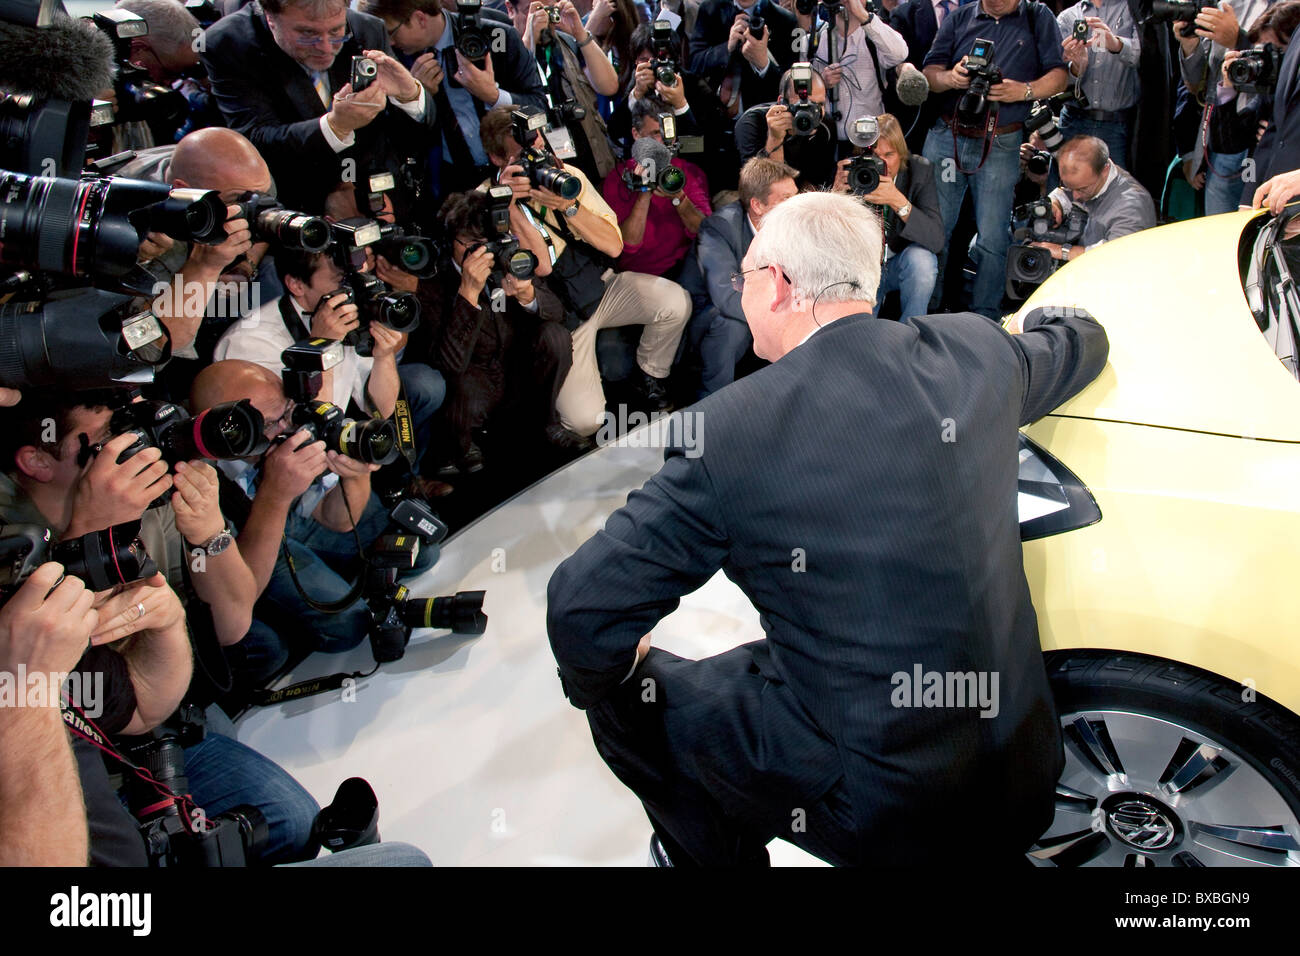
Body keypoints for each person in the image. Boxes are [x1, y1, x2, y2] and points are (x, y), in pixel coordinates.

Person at [547, 190, 1110, 866]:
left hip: (887, 813)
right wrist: (1055, 311)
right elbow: (1080, 339)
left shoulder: (732, 431)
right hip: (1026, 767)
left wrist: (619, 665)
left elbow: (581, 611)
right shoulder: (977, 350)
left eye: (746, 274)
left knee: (627, 700)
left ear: (778, 286)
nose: (739, 288)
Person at [480, 104, 692, 431]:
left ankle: (651, 377)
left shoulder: (567, 177)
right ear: (497, 159)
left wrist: (568, 206)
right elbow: (539, 267)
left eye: (539, 148)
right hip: (562, 316)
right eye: (523, 156)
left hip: (600, 287)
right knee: (586, 422)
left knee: (675, 302)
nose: (537, 162)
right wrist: (509, 202)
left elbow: (614, 245)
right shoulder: (484, 202)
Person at [200, 0, 437, 213]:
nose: (325, 48)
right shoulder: (227, 43)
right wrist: (335, 127)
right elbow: (256, 141)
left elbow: (413, 136)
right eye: (307, 33)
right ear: (270, 18)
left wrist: (411, 96)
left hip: (385, 201)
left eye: (335, 31)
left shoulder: (367, 28)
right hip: (301, 211)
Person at [921, 0, 1068, 318]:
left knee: (992, 235)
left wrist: (1025, 91)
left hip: (1001, 138)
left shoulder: (1036, 16)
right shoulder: (960, 17)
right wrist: (952, 78)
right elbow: (929, 74)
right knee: (936, 229)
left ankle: (985, 318)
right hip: (949, 136)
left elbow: (1060, 75)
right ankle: (926, 310)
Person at [422, 190, 585, 470]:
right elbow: (449, 362)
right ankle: (460, 446)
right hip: (471, 380)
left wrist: (527, 295)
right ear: (452, 242)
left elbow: (557, 313)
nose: (484, 254)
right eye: (474, 245)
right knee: (460, 383)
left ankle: (548, 424)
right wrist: (468, 294)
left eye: (490, 244)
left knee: (555, 336)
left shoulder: (507, 258)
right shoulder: (433, 280)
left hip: (514, 368)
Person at [358, 0, 548, 194]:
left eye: (391, 32)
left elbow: (539, 106)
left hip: (519, 173)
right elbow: (400, 141)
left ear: (420, 19)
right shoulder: (395, 63)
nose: (389, 42)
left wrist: (493, 96)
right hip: (450, 185)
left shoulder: (497, 35)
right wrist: (417, 97)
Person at [680, 156, 798, 396]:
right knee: (731, 328)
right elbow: (726, 295)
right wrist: (780, 318)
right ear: (757, 205)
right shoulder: (719, 228)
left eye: (796, 196)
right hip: (709, 311)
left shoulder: (793, 225)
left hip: (759, 303)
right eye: (786, 199)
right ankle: (712, 403)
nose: (795, 205)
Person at [834, 113, 943, 320]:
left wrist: (897, 201)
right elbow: (826, 239)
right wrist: (836, 194)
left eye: (889, 155)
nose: (882, 163)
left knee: (923, 262)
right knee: (863, 332)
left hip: (898, 263)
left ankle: (912, 332)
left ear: (902, 155)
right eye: (875, 155)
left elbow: (936, 240)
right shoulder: (853, 171)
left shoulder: (919, 170)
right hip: (862, 268)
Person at [1175, 0, 1272, 216]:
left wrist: (1238, 40)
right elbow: (1194, 85)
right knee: (1219, 232)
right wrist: (1189, 46)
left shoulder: (1287, 7)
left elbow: (1282, 69)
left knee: (1255, 226)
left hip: (1264, 140)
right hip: (1221, 139)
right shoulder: (1223, 4)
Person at [601, 100, 713, 277]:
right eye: (654, 134)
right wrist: (644, 193)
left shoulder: (689, 172)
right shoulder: (616, 179)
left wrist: (678, 198)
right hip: (641, 273)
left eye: (666, 134)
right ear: (636, 135)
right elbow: (629, 246)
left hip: (685, 265)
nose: (661, 142)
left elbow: (705, 233)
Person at [1033, 135, 1155, 263]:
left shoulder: (1131, 207)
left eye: (1082, 189)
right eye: (1070, 187)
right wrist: (1056, 203)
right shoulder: (1090, 178)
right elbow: (1066, 193)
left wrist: (1062, 251)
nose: (1075, 196)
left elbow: (1117, 255)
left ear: (1105, 170)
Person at [1054, 0, 1141, 169]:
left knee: (1114, 191)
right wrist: (1077, 68)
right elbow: (1056, 78)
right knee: (1063, 191)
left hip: (1117, 126)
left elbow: (1146, 57)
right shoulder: (1068, 16)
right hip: (1073, 122)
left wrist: (1116, 44)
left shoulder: (1134, 12)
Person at [734, 64, 840, 187]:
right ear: (781, 102)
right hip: (740, 192)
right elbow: (760, 188)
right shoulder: (752, 122)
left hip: (795, 194)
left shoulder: (825, 125)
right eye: (803, 106)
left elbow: (815, 183)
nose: (812, 113)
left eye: (819, 105)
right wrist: (775, 138)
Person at [690, 0, 799, 115]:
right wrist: (727, 49)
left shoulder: (786, 20)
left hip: (763, 118)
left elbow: (792, 89)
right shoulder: (709, 9)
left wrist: (764, 65)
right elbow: (694, 65)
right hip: (714, 115)